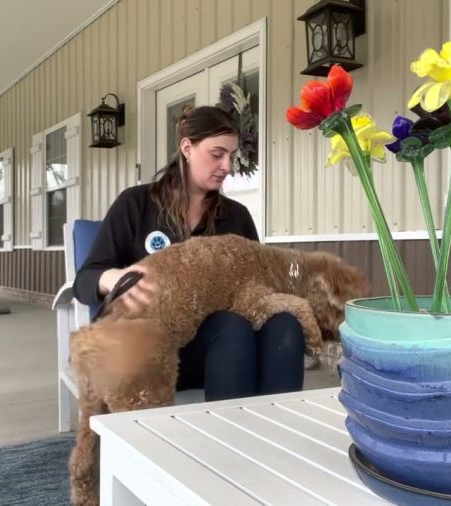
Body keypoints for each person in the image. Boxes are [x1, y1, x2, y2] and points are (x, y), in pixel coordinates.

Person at [73, 105, 305, 402]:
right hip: (151, 347)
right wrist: (115, 278)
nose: (227, 166)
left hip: (221, 348)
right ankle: (228, 429)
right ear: (186, 148)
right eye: (217, 154)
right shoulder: (136, 204)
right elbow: (85, 280)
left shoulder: (236, 217)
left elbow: (259, 285)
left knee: (285, 323)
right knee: (231, 328)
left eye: (231, 155)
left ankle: (277, 425)